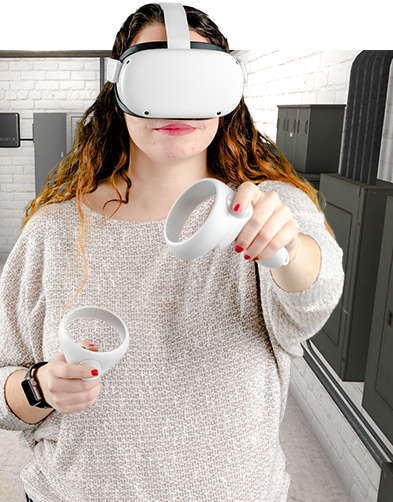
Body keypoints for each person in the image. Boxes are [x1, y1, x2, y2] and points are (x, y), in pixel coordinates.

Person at [0, 3, 344, 502]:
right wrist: (41, 388)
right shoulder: (54, 229)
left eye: (197, 83)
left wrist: (285, 248)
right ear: (120, 92)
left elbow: (315, 296)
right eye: (158, 81)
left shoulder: (269, 207)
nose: (177, 106)